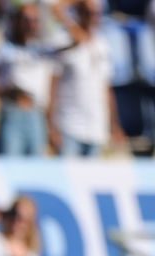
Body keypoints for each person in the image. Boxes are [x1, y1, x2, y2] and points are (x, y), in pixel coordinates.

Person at [0, 4, 56, 156]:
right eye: (26, 20)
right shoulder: (5, 49)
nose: (30, 25)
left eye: (35, 20)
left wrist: (51, 124)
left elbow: (52, 88)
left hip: (37, 114)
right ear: (17, 21)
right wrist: (4, 91)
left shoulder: (44, 50)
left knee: (36, 167)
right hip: (12, 112)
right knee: (10, 164)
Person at [48, 0, 125, 156]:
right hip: (69, 126)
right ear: (79, 13)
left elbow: (106, 88)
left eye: (96, 13)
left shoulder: (102, 45)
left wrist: (114, 124)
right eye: (88, 12)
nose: (93, 17)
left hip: (96, 129)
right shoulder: (65, 40)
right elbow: (52, 85)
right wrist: (51, 125)